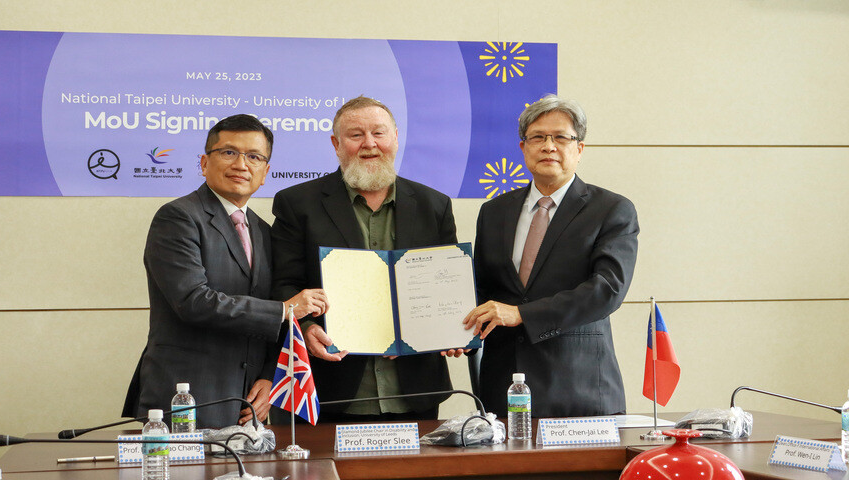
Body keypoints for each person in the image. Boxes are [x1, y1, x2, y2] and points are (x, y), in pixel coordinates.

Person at [122, 114, 327, 429]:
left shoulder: (263, 231)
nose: (242, 164)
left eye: (254, 157)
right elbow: (192, 301)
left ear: (265, 173)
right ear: (204, 163)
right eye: (229, 152)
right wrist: (285, 309)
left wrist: (268, 375)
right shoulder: (177, 218)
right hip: (186, 398)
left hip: (247, 404)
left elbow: (273, 307)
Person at [270, 96, 460, 423]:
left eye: (379, 133)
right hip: (328, 389)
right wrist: (308, 326)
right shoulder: (297, 204)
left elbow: (447, 288)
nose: (369, 144)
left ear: (396, 138)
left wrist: (449, 329)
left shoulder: (434, 205)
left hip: (414, 391)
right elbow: (282, 283)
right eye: (356, 135)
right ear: (336, 144)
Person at [463, 95, 638, 419]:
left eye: (560, 137)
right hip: (503, 388)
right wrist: (452, 327)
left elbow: (606, 290)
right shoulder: (494, 212)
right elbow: (482, 289)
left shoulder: (611, 210)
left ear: (579, 149)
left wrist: (523, 314)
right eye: (538, 137)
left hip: (579, 389)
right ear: (523, 147)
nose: (548, 146)